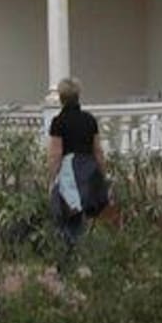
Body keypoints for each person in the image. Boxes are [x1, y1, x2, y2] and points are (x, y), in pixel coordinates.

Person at [47, 77, 108, 252]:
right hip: (88, 170)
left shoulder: (58, 122)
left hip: (70, 171)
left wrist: (51, 179)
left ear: (61, 98)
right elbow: (98, 150)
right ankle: (82, 252)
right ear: (78, 96)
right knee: (82, 213)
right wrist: (102, 174)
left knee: (66, 212)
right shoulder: (89, 120)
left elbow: (56, 154)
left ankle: (69, 254)